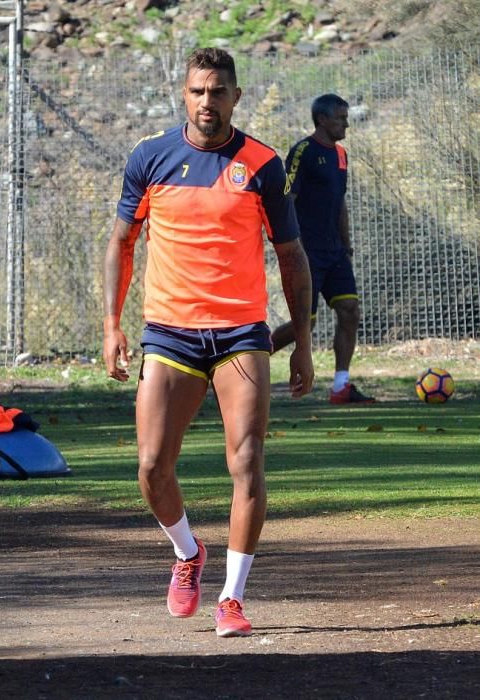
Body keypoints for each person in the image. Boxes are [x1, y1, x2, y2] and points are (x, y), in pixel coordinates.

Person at [103, 47, 314, 638]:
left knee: (246, 462)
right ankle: (187, 553)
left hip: (241, 334)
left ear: (235, 97)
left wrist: (301, 339)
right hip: (169, 333)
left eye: (218, 91)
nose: (207, 102)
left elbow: (291, 256)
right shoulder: (150, 158)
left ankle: (232, 598)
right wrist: (111, 326)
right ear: (184, 94)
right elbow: (122, 242)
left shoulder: (264, 165)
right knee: (151, 467)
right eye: (198, 91)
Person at [272, 93, 375, 404]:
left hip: (335, 253)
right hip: (306, 252)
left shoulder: (341, 155)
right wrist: (290, 244)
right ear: (322, 120)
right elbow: (286, 198)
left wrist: (346, 243)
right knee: (307, 322)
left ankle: (341, 387)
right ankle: (244, 360)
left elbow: (339, 200)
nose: (346, 123)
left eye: (346, 117)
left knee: (349, 311)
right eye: (340, 118)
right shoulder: (303, 150)